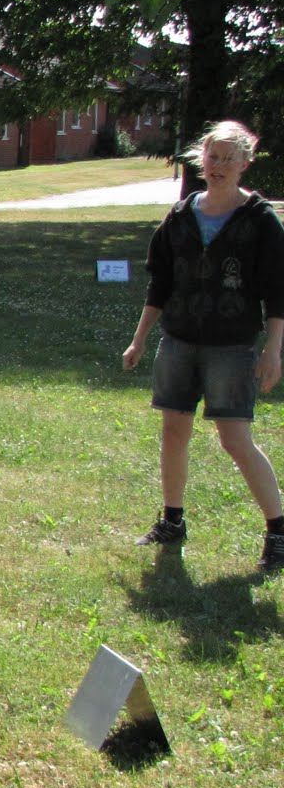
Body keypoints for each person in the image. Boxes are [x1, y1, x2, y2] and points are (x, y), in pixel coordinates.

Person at [123, 119, 284, 573]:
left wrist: (273, 350)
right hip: (178, 341)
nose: (219, 166)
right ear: (202, 158)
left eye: (229, 159)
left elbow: (277, 292)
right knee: (174, 432)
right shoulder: (180, 217)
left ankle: (278, 531)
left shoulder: (260, 221)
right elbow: (160, 284)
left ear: (245, 164)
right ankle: (172, 521)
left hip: (231, 347)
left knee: (235, 440)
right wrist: (139, 339)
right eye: (213, 157)